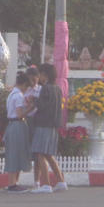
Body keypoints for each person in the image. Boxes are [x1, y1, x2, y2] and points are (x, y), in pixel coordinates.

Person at [30, 63, 67, 194]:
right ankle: (61, 181)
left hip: (43, 124)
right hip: (53, 125)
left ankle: (46, 183)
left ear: (44, 75)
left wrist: (33, 100)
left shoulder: (45, 89)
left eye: (40, 74)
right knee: (49, 154)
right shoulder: (57, 89)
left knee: (40, 153)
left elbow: (42, 106)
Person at [3, 71, 32, 193]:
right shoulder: (18, 95)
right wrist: (31, 107)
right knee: (16, 153)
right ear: (24, 84)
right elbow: (20, 114)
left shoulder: (11, 94)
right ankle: (12, 184)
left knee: (14, 152)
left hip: (11, 125)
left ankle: (14, 182)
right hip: (17, 124)